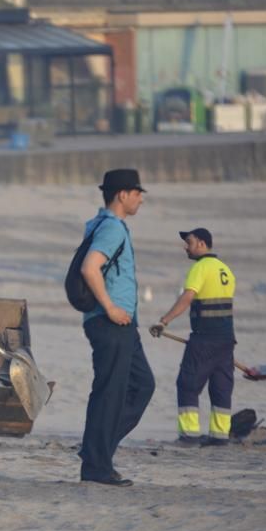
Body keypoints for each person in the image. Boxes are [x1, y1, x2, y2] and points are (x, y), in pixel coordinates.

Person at [78, 169, 155, 487]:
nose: (140, 198)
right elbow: (89, 267)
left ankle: (95, 449)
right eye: (137, 193)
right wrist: (110, 307)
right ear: (122, 195)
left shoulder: (102, 225)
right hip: (111, 322)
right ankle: (97, 463)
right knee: (110, 394)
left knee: (142, 385)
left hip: (121, 324)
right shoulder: (111, 229)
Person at [149, 228, 236, 447]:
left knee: (187, 384)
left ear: (202, 243)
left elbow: (187, 297)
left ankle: (189, 436)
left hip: (204, 339)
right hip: (226, 340)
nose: (185, 247)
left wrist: (164, 321)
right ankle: (219, 436)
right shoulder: (225, 270)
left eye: (189, 242)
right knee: (220, 388)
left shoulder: (200, 268)